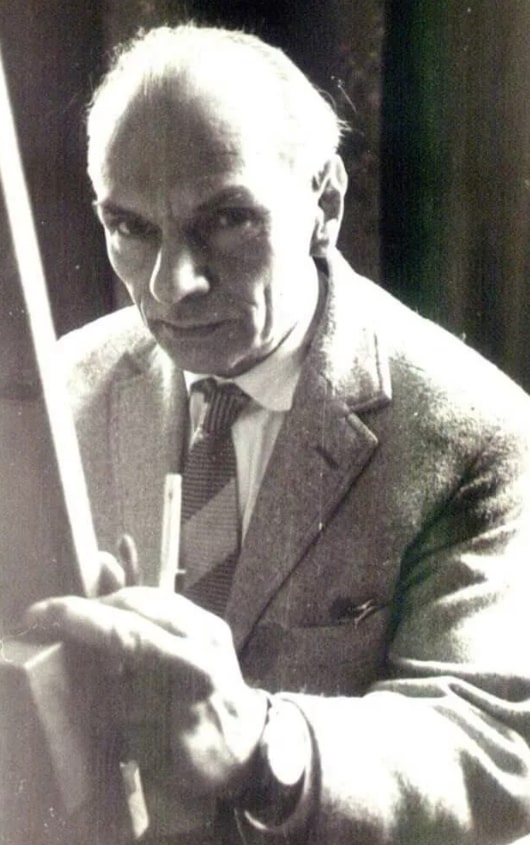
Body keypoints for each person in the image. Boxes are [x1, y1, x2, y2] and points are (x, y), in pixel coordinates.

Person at [26, 23, 530, 845]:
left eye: (226, 219)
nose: (171, 285)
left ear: (324, 204)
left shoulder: (475, 431)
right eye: (131, 228)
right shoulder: (61, 391)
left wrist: (262, 745)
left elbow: (496, 744)